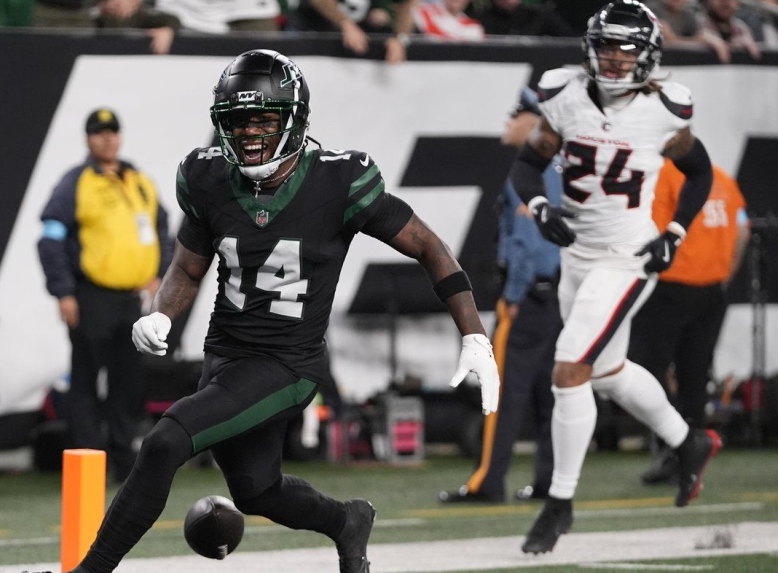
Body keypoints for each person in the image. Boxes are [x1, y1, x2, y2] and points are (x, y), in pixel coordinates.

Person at [64, 49, 499, 573]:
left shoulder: (340, 181)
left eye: (263, 119)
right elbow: (187, 267)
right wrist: (163, 313)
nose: (249, 133)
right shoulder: (206, 177)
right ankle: (346, 522)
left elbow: (429, 247)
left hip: (288, 362)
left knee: (164, 442)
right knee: (256, 490)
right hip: (224, 354)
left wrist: (474, 335)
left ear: (294, 119)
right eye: (238, 120)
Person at [507, 1, 723, 554]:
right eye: (606, 46)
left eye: (626, 48)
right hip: (578, 257)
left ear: (647, 54)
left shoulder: (664, 111)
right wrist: (540, 205)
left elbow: (698, 173)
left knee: (569, 370)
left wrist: (673, 231)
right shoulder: (565, 96)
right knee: (606, 372)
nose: (614, 57)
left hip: (626, 257)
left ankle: (559, 503)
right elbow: (526, 165)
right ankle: (687, 441)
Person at [37, 108, 172, 484]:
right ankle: (87, 462)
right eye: (99, 133)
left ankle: (123, 461)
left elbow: (163, 227)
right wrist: (63, 292)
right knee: (85, 379)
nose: (107, 139)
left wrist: (159, 272)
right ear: (88, 140)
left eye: (112, 132)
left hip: (132, 299)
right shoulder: (75, 183)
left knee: (128, 381)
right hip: (90, 295)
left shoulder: (139, 179)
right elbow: (49, 240)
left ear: (120, 136)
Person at [439, 87, 560, 504]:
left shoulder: (527, 174)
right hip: (560, 297)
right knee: (550, 395)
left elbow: (529, 243)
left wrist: (513, 294)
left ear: (536, 122)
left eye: (516, 115)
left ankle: (489, 481)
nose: (508, 123)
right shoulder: (560, 172)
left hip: (528, 301)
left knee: (500, 392)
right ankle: (550, 481)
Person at [629, 160, 750, 484]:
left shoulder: (665, 175)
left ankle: (676, 445)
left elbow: (649, 233)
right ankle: (688, 459)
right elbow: (743, 228)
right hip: (711, 291)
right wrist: (724, 277)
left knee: (643, 368)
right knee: (695, 375)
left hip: (671, 287)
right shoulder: (721, 178)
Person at [287, 0, 419, 64]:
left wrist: (399, 38)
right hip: (311, 31)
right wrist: (345, 23)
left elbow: (408, 4)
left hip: (356, 38)